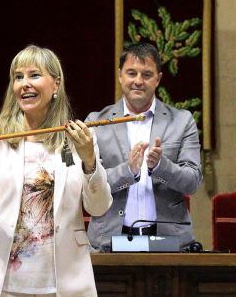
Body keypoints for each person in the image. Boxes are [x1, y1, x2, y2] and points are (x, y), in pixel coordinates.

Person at [0, 45, 112, 297]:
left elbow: (99, 207)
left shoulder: (79, 138)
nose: (24, 84)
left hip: (65, 279)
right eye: (18, 77)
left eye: (34, 75)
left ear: (56, 84)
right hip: (4, 280)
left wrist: (89, 160)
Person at [86, 42, 202, 251]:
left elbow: (192, 182)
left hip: (170, 243)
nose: (138, 81)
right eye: (131, 73)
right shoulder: (96, 122)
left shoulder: (182, 121)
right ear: (120, 75)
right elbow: (87, 187)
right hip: (108, 243)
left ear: (158, 79)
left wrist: (160, 166)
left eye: (146, 75)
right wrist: (128, 171)